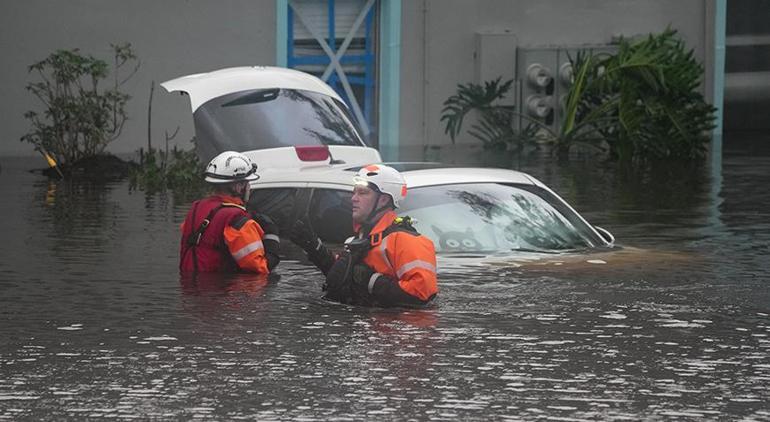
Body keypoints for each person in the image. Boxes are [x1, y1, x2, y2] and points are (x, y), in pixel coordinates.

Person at [290, 164, 437, 307]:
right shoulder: (359, 239)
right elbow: (342, 277)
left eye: (363, 193)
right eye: (354, 192)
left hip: (390, 329)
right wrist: (314, 247)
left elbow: (421, 295)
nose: (353, 198)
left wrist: (370, 280)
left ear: (384, 200)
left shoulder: (407, 241)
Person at [179, 151, 280, 274]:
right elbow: (258, 268)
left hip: (190, 289)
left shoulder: (196, 209)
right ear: (238, 186)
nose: (249, 187)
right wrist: (272, 239)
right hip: (221, 290)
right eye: (247, 183)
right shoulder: (238, 221)